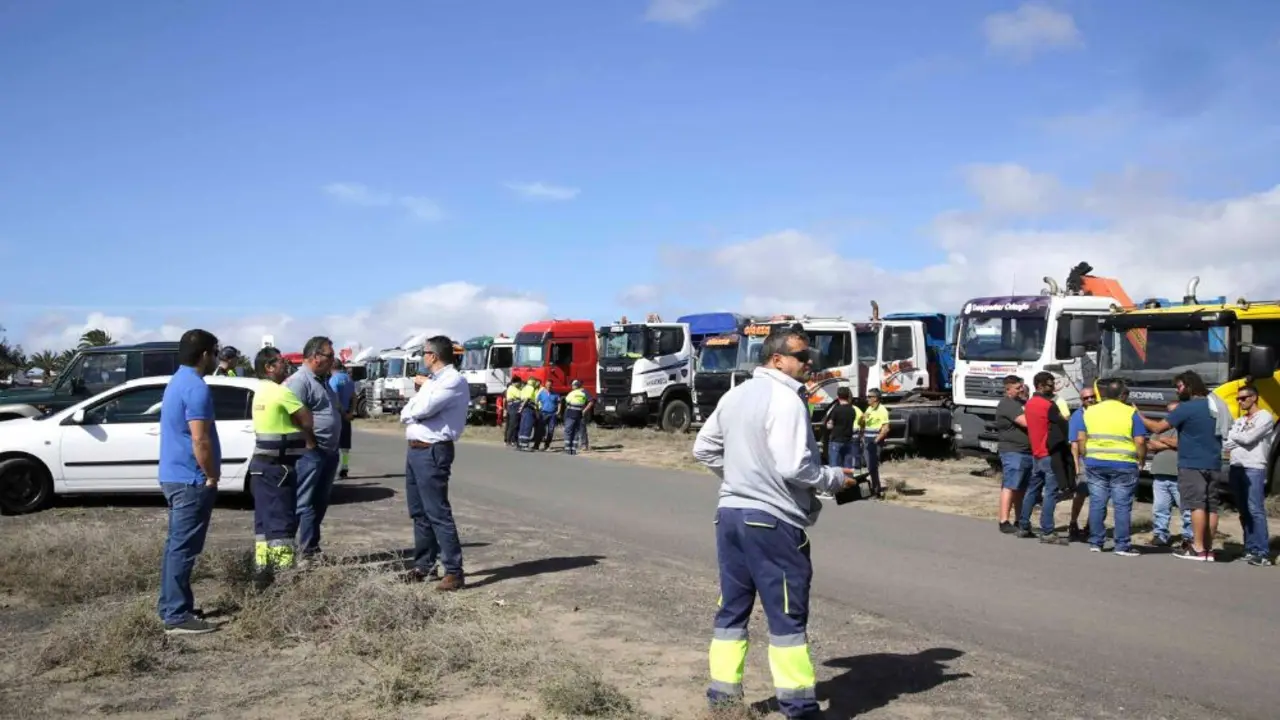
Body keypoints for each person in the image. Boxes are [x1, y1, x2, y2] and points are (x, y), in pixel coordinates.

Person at [692, 326, 860, 719]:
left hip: (731, 516)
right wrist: (835, 478)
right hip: (772, 521)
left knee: (732, 609)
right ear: (777, 359)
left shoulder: (735, 396)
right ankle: (798, 705)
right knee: (786, 615)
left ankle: (723, 696)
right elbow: (794, 465)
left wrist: (740, 478)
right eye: (802, 357)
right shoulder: (786, 399)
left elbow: (703, 448)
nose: (809, 364)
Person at [157, 329, 222, 634]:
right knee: (183, 549)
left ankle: (173, 605)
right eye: (216, 353)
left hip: (174, 476)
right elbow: (200, 439)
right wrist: (211, 474)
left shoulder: (176, 381)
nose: (218, 359)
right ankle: (176, 615)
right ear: (205, 354)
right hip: (190, 480)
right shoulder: (196, 388)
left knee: (176, 547)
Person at [400, 336, 470, 591]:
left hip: (432, 451)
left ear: (433, 355)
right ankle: (424, 566)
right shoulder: (435, 382)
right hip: (416, 450)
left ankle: (454, 571)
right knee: (419, 512)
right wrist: (413, 408)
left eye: (423, 352)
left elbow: (421, 410)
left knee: (437, 512)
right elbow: (406, 410)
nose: (422, 357)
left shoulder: (452, 380)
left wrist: (413, 409)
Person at [1140, 371, 1224, 562]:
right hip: (1214, 461)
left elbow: (1157, 428)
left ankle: (1197, 547)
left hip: (1192, 463)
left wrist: (1137, 415)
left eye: (1179, 387)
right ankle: (1208, 550)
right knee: (1211, 506)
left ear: (1188, 385)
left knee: (1197, 505)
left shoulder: (1187, 407)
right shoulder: (1217, 405)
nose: (1177, 391)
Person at [249, 347, 316, 581]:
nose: (286, 366)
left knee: (264, 523)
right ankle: (283, 577)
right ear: (269, 367)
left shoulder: (260, 391)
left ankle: (262, 573)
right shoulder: (280, 392)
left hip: (260, 466)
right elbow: (307, 419)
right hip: (279, 467)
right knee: (281, 524)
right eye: (281, 362)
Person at [284, 336, 342, 561]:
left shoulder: (322, 381)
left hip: (328, 452)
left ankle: (311, 549)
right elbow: (293, 416)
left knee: (319, 502)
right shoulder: (300, 381)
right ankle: (298, 554)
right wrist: (310, 441)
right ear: (315, 356)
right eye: (329, 355)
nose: (332, 360)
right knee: (304, 503)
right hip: (311, 452)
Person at [1080, 378, 1147, 556]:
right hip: (1123, 463)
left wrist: (1085, 454)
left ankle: (1095, 542)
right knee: (1122, 505)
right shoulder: (1130, 412)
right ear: (1122, 395)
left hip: (1095, 462)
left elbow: (1081, 437)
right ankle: (1122, 545)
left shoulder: (1090, 411)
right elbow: (1140, 440)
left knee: (1097, 503)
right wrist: (1141, 459)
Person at [1225, 384, 1274, 566]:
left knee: (1255, 509)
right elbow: (1227, 444)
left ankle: (1262, 552)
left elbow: (1248, 439)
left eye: (1243, 398)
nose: (1240, 401)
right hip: (1236, 466)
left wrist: (1233, 436)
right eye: (1238, 398)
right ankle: (1250, 548)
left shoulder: (1265, 417)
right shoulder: (1239, 420)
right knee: (1243, 510)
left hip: (1253, 467)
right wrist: (1235, 438)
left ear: (1254, 397)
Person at [1021, 372, 1069, 544]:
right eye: (1050, 385)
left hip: (1036, 454)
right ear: (1040, 386)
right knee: (1050, 493)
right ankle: (1047, 530)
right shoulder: (1048, 406)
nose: (1053, 387)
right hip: (1049, 455)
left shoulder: (1030, 404)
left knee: (1032, 490)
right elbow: (1063, 426)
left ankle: (1023, 525)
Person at [1147, 400, 1192, 549]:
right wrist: (1171, 443)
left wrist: (1165, 441)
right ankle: (1160, 535)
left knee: (1186, 509)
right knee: (1160, 508)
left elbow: (1185, 444)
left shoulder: (1188, 427)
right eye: (1170, 411)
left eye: (1175, 411)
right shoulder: (1162, 426)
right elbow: (1151, 444)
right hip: (1160, 472)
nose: (1172, 414)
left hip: (1180, 474)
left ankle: (1189, 537)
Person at [995, 376, 1032, 535]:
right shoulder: (1008, 404)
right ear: (1008, 389)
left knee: (1021, 488)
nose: (1021, 390)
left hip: (1026, 451)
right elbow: (1027, 422)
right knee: (1010, 485)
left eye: (1022, 387)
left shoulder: (1020, 403)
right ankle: (1004, 521)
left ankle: (1019, 519)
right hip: (1013, 451)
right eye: (1017, 388)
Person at [1066, 388, 1097, 540]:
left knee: (1098, 496)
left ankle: (1091, 526)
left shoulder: (1100, 413)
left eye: (1092, 397)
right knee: (1081, 493)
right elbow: (1074, 444)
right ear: (1082, 400)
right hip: (1084, 461)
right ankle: (1073, 522)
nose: (1090, 400)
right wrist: (1077, 467)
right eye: (1086, 398)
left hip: (1099, 459)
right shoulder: (1078, 416)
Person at [861, 388, 890, 499]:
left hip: (874, 442)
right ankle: (871, 489)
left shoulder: (882, 410)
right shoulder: (869, 408)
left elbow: (886, 428)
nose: (867, 398)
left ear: (876, 398)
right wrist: (862, 435)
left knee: (872, 466)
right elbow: (863, 421)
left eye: (869, 396)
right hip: (867, 441)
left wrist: (876, 441)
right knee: (867, 466)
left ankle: (876, 491)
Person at [329, 360, 355, 479]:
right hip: (347, 416)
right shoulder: (349, 379)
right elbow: (354, 397)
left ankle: (332, 469)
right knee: (345, 445)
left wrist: (343, 413)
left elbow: (335, 399)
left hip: (337, 415)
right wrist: (351, 412)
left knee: (333, 445)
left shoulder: (333, 380)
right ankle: (345, 467)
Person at [563, 380, 590, 455]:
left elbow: (567, 400)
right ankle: (574, 449)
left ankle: (568, 449)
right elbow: (584, 402)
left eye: (572, 385)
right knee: (576, 431)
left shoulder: (572, 393)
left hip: (571, 414)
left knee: (568, 431)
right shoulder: (583, 394)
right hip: (579, 415)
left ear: (575, 386)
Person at [516, 378, 540, 451]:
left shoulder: (524, 388)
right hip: (529, 408)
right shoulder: (530, 388)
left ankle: (520, 444)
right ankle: (525, 445)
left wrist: (520, 409)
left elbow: (522, 398)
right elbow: (527, 398)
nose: (537, 384)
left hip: (525, 409)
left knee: (522, 427)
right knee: (527, 427)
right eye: (536, 382)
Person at [536, 379, 561, 451]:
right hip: (543, 413)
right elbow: (536, 401)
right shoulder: (541, 393)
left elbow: (559, 402)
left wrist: (558, 411)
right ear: (545, 385)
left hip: (552, 414)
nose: (548, 386)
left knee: (551, 430)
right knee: (540, 430)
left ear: (552, 385)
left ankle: (547, 446)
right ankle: (536, 445)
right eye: (547, 384)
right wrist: (537, 411)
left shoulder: (555, 394)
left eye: (550, 385)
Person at [502, 378, 524, 446]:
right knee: (512, 424)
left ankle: (514, 440)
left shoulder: (517, 388)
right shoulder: (512, 388)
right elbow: (520, 396)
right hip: (513, 407)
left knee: (516, 424)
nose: (520, 384)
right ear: (515, 382)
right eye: (519, 382)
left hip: (515, 406)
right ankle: (509, 440)